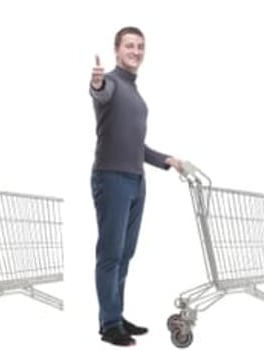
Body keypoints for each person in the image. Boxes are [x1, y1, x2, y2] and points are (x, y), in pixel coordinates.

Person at [85, 26, 183, 347]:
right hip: (111, 177)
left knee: (125, 254)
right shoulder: (111, 82)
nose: (136, 51)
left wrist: (165, 159)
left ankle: (117, 314)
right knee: (110, 253)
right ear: (117, 50)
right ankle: (109, 324)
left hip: (136, 179)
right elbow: (99, 92)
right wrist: (96, 83)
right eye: (130, 46)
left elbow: (135, 145)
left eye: (140, 47)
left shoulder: (134, 89)